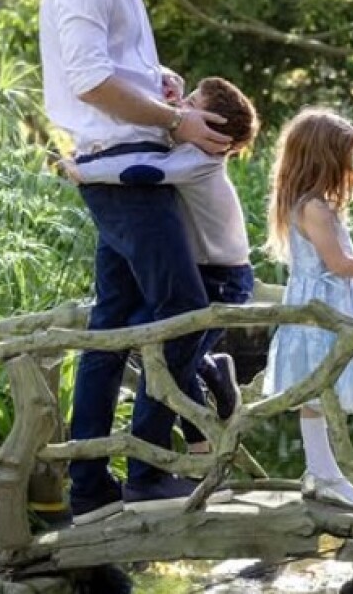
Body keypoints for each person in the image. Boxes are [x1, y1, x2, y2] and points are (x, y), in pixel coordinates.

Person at [39, 0, 233, 525]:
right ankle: (148, 470)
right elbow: (90, 82)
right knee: (184, 308)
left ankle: (91, 488)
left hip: (126, 170)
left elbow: (112, 72)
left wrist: (159, 85)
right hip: (122, 177)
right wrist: (177, 124)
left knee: (112, 327)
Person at [60, 76, 261, 447]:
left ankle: (198, 425)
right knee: (159, 342)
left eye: (192, 104)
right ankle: (208, 391)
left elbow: (143, 170)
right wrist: (169, 89)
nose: (180, 109)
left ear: (213, 129)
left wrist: (82, 171)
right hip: (206, 269)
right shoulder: (189, 151)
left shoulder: (199, 159)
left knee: (168, 347)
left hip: (224, 278)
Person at [261, 109, 353, 513]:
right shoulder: (313, 208)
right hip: (320, 316)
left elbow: (350, 262)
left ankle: (319, 470)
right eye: (349, 157)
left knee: (320, 395)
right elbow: (340, 266)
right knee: (319, 394)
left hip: (328, 311)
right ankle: (327, 476)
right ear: (326, 158)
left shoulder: (318, 206)